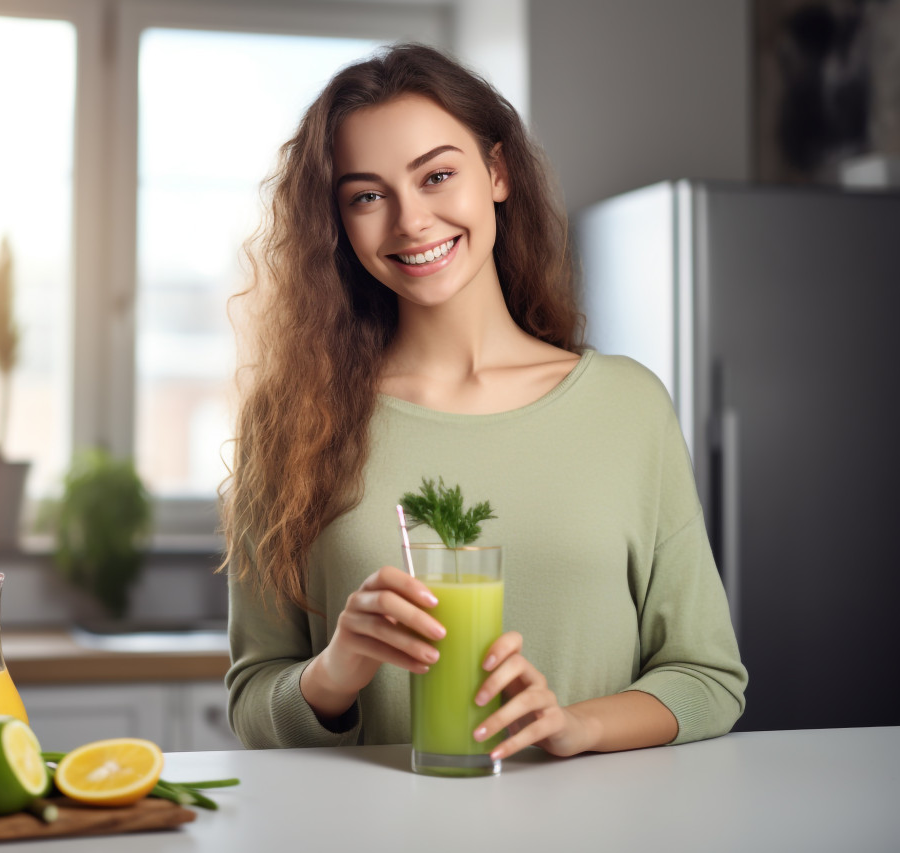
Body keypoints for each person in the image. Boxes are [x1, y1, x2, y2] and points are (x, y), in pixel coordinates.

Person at [220, 43, 746, 760]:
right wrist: (332, 672)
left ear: (496, 172)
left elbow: (707, 677)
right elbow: (252, 702)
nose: (410, 221)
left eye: (437, 175)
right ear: (339, 223)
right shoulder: (290, 424)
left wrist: (577, 725)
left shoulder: (629, 408)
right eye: (367, 196)